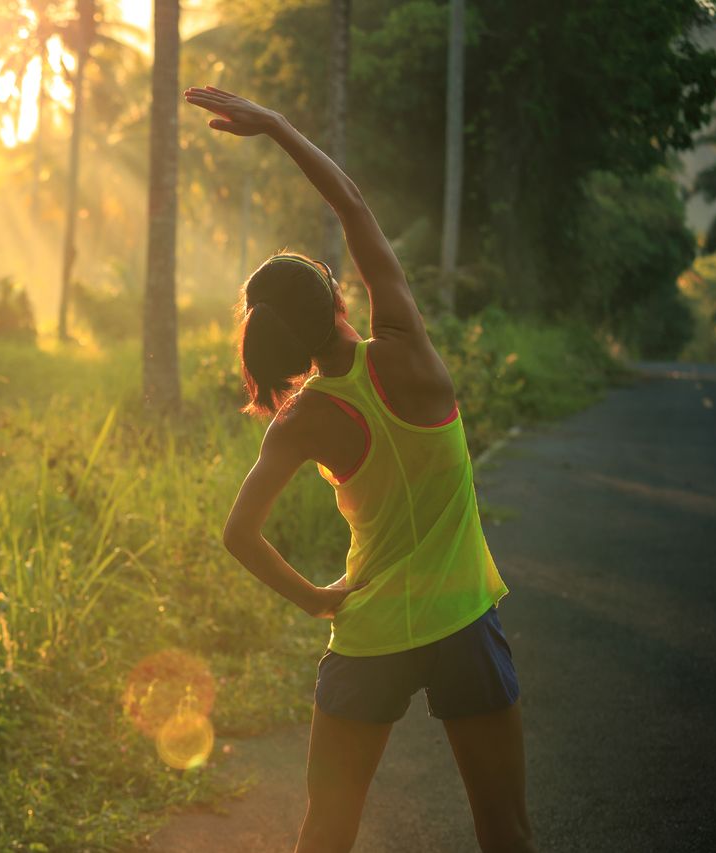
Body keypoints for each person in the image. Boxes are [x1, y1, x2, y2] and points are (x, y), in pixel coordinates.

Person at [183, 85, 535, 853]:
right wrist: (277, 124)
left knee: (327, 830)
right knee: (504, 830)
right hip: (464, 621)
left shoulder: (301, 420)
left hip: (368, 632)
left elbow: (238, 533)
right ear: (340, 293)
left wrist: (316, 600)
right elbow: (353, 206)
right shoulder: (406, 346)